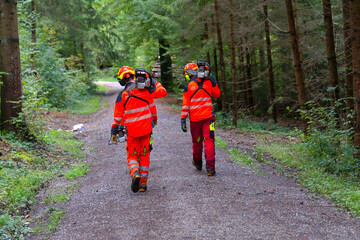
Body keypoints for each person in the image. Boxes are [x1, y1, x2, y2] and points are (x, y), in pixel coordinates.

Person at [111, 66, 158, 192]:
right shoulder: (145, 91)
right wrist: (154, 121)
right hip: (146, 130)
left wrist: (114, 131)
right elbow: (153, 108)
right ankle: (142, 185)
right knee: (144, 155)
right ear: (134, 76)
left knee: (132, 155)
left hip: (132, 132)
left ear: (121, 81)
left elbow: (118, 117)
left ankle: (135, 173)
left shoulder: (122, 95)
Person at [180, 61, 221, 176]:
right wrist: (213, 81)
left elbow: (185, 105)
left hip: (195, 120)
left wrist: (183, 119)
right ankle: (211, 168)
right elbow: (217, 95)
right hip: (208, 118)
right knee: (209, 141)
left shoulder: (188, 86)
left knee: (197, 142)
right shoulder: (209, 82)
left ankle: (198, 163)